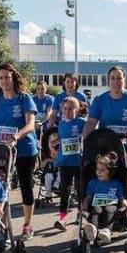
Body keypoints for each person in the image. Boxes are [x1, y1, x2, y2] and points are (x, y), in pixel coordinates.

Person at [0, 63, 39, 240]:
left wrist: (16, 136)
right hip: (2, 152)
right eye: (1, 77)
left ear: (13, 77)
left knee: (26, 187)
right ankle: (2, 225)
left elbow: (30, 124)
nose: (4, 80)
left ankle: (27, 225)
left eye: (7, 76)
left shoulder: (24, 98)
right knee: (0, 188)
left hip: (24, 150)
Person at [82, 66, 127, 189]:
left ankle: (125, 204)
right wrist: (85, 139)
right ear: (108, 80)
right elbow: (91, 122)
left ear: (125, 80)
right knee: (103, 183)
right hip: (106, 150)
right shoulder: (100, 100)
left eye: (119, 78)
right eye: (113, 78)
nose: (116, 81)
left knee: (125, 186)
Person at [48, 97, 86, 231]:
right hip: (65, 162)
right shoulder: (62, 124)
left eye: (71, 108)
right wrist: (54, 143)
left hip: (79, 162)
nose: (67, 111)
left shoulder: (82, 122)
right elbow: (61, 138)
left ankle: (81, 214)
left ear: (77, 110)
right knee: (65, 191)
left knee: (80, 190)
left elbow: (89, 135)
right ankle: (62, 218)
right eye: (64, 108)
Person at [80, 153, 127, 245]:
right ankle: (93, 229)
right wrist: (84, 205)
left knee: (109, 209)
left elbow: (122, 196)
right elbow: (88, 197)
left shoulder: (116, 183)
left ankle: (107, 230)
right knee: (95, 208)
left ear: (110, 171)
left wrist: (125, 203)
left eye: (102, 170)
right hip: (97, 203)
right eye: (97, 170)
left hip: (112, 205)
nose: (98, 172)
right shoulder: (92, 183)